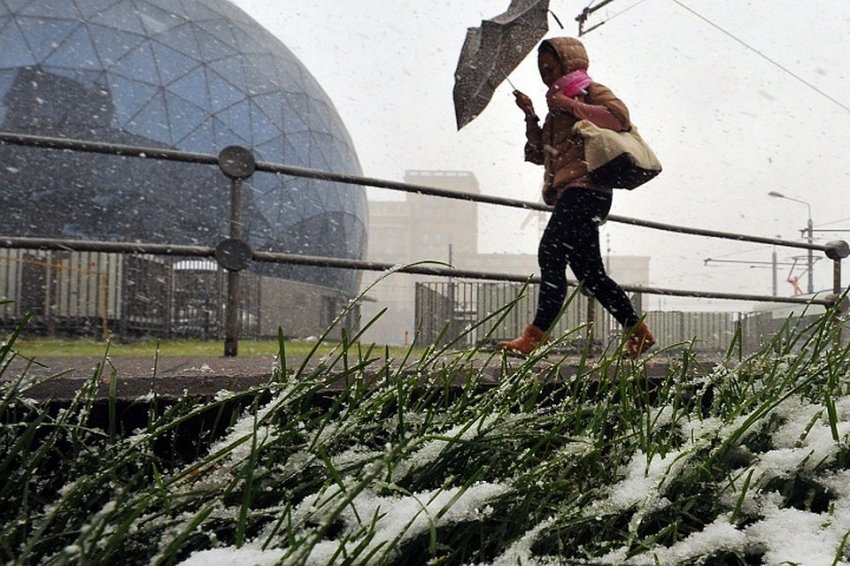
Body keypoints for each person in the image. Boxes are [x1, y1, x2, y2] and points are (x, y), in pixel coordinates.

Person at [497, 37, 655, 357]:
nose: (545, 73)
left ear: (568, 63)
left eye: (550, 66)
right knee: (590, 274)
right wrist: (530, 115)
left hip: (588, 191)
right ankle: (638, 332)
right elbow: (542, 154)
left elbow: (619, 117)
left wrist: (570, 105)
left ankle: (535, 336)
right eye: (541, 69)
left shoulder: (586, 90)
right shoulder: (553, 106)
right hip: (575, 193)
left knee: (550, 252)